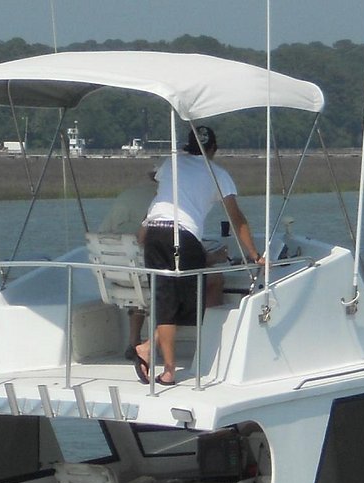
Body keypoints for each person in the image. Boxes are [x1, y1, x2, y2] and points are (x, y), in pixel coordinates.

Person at [134, 125, 263, 386]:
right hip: (182, 234)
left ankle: (157, 358)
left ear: (187, 146)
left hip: (154, 232)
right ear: (214, 149)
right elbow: (236, 218)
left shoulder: (172, 163)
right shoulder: (218, 174)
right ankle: (157, 357)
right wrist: (254, 254)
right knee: (186, 300)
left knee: (166, 300)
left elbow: (158, 182)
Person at [97, 173, 157, 359]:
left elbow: (102, 233)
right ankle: (150, 345)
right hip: (147, 278)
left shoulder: (127, 195)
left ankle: (133, 342)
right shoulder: (165, 201)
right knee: (168, 280)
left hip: (119, 278)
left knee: (137, 278)